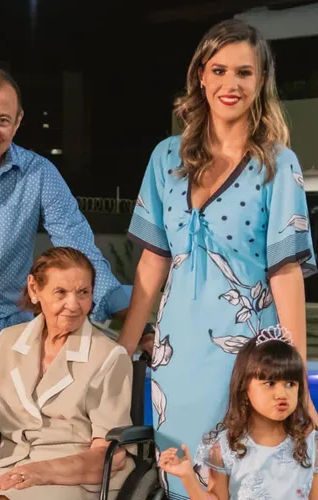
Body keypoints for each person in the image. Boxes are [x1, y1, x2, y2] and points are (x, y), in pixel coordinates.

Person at [118, 18, 317, 498]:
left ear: (261, 80)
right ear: (200, 77)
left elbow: (286, 272)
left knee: (247, 479)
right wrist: (120, 354)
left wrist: (295, 377)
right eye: (219, 70)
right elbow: (151, 265)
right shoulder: (165, 158)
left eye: (244, 72)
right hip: (177, 355)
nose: (231, 84)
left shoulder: (278, 163)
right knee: (181, 476)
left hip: (249, 357)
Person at [0, 66, 129, 498]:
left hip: (6, 338)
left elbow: (79, 248)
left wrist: (133, 317)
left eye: (2, 119)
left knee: (1, 459)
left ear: (18, 121)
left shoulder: (39, 174)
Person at [0, 247, 133, 500]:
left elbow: (111, 455)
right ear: (34, 289)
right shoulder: (9, 341)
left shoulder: (109, 356)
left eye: (83, 292)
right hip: (9, 464)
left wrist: (42, 472)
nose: (73, 305)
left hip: (74, 476)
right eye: (61, 292)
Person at [159, 328, 318, 499]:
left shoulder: (311, 444)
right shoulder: (225, 447)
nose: (282, 394)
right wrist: (187, 477)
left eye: (290, 384)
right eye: (270, 383)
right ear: (244, 388)